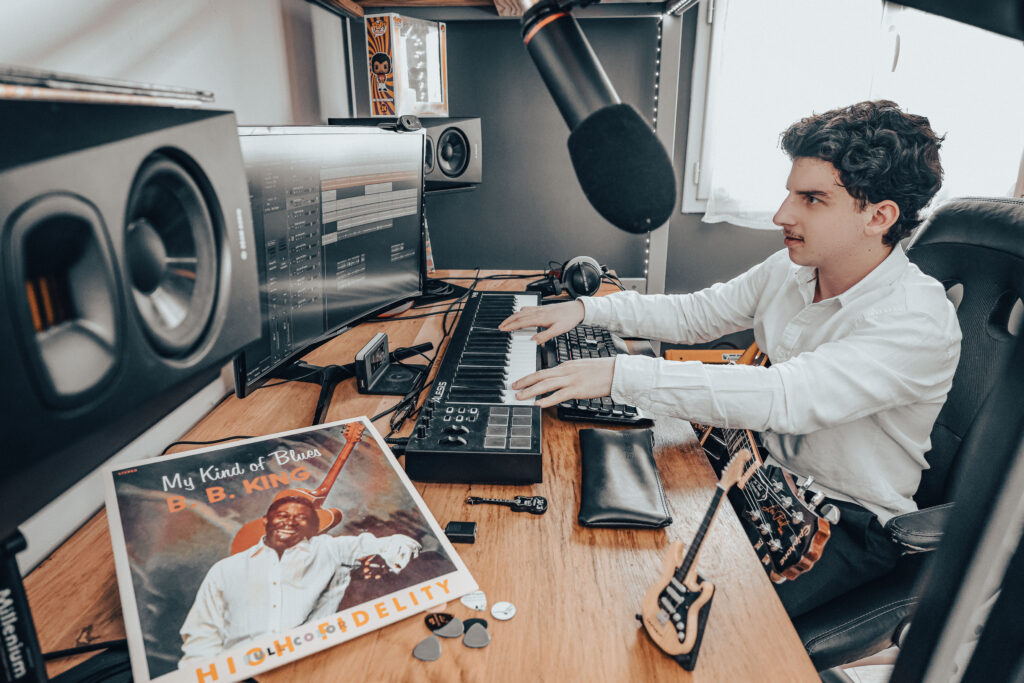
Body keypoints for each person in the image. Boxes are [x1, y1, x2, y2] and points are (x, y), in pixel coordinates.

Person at [500, 100, 961, 617]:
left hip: (844, 522)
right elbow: (697, 314)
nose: (782, 215)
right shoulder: (791, 269)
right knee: (597, 548)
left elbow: (785, 397)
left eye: (812, 199)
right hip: (756, 471)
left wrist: (617, 373)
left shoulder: (916, 319)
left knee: (660, 615)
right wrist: (587, 311)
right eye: (790, 193)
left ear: (879, 217)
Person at [179, 495, 421, 663]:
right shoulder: (226, 569)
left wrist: (392, 556)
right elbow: (202, 633)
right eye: (282, 515)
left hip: (314, 660)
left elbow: (393, 544)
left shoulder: (328, 549)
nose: (289, 521)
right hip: (243, 666)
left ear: (312, 525)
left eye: (301, 517)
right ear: (266, 521)